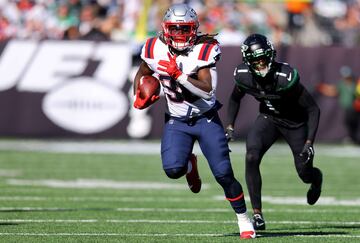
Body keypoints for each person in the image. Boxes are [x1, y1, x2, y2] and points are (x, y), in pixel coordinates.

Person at [132, 3, 255, 239]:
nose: (179, 34)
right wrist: (140, 91)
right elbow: (143, 73)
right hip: (176, 120)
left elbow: (207, 90)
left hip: (205, 119)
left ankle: (243, 219)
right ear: (166, 29)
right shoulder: (153, 48)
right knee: (173, 169)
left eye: (184, 28)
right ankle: (190, 165)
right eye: (175, 29)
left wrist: (179, 76)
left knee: (223, 174)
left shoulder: (203, 49)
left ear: (194, 29)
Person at [225, 33, 323, 230]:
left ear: (270, 55)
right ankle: (257, 214)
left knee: (304, 173)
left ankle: (316, 179)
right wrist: (230, 126)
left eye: (263, 59)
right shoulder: (244, 75)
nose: (260, 65)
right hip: (269, 119)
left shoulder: (284, 77)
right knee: (251, 156)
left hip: (295, 123)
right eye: (255, 61)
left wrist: (309, 143)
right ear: (248, 61)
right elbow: (235, 98)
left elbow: (313, 109)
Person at [316, 66, 360, 144]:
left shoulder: (355, 83)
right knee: (348, 123)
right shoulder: (341, 84)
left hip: (355, 108)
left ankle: (355, 139)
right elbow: (333, 91)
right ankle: (352, 138)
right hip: (347, 108)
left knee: (355, 123)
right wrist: (322, 88)